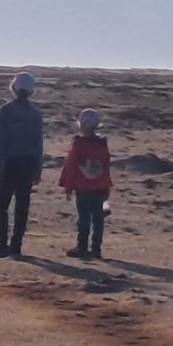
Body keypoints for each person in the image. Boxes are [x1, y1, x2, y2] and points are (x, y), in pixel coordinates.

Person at [0, 70, 45, 257]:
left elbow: (0, 141)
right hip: (27, 163)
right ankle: (16, 244)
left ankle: (1, 243)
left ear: (13, 88)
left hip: (9, 163)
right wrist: (38, 169)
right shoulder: (35, 114)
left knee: (1, 205)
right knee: (22, 206)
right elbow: (38, 144)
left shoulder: (5, 111)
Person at [57, 107, 114, 258]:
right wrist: (107, 186)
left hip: (83, 188)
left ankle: (82, 246)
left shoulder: (78, 144)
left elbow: (71, 166)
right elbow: (106, 166)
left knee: (84, 218)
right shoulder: (102, 143)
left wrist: (68, 186)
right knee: (98, 218)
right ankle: (96, 248)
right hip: (99, 187)